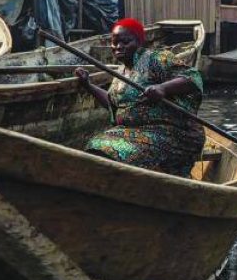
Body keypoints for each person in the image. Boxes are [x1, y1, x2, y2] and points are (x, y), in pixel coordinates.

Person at [76, 17, 205, 177]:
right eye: (115, 42)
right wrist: (88, 85)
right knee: (94, 145)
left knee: (113, 151)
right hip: (135, 132)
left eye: (125, 42)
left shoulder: (155, 58)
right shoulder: (121, 74)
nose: (118, 47)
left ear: (138, 42)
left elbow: (193, 78)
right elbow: (112, 104)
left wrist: (162, 88)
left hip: (172, 132)